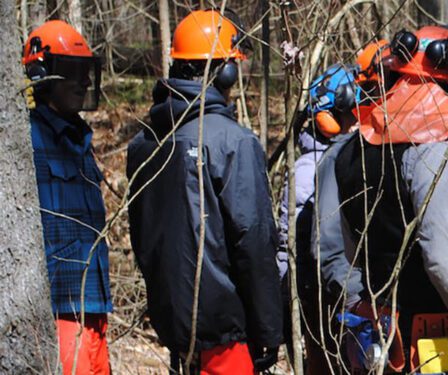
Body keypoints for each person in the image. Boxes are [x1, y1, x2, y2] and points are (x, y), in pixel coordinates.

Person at [311, 25, 448, 373]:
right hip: (431, 332)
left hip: (383, 323)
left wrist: (362, 299)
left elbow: (348, 248)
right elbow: (444, 256)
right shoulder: (432, 155)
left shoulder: (349, 151)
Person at [126, 10, 282, 373]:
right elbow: (254, 241)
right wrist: (270, 330)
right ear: (224, 71)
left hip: (176, 332)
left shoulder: (142, 144)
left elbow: (144, 240)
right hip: (226, 336)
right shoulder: (232, 141)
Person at [24, 19, 112, 375]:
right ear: (44, 74)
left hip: (94, 303)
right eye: (73, 70)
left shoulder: (80, 141)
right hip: (59, 308)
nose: (85, 81)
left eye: (86, 70)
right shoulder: (27, 140)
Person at [276, 64, 363, 374]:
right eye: (354, 112)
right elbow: (291, 245)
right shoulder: (308, 170)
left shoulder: (347, 159)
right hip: (324, 301)